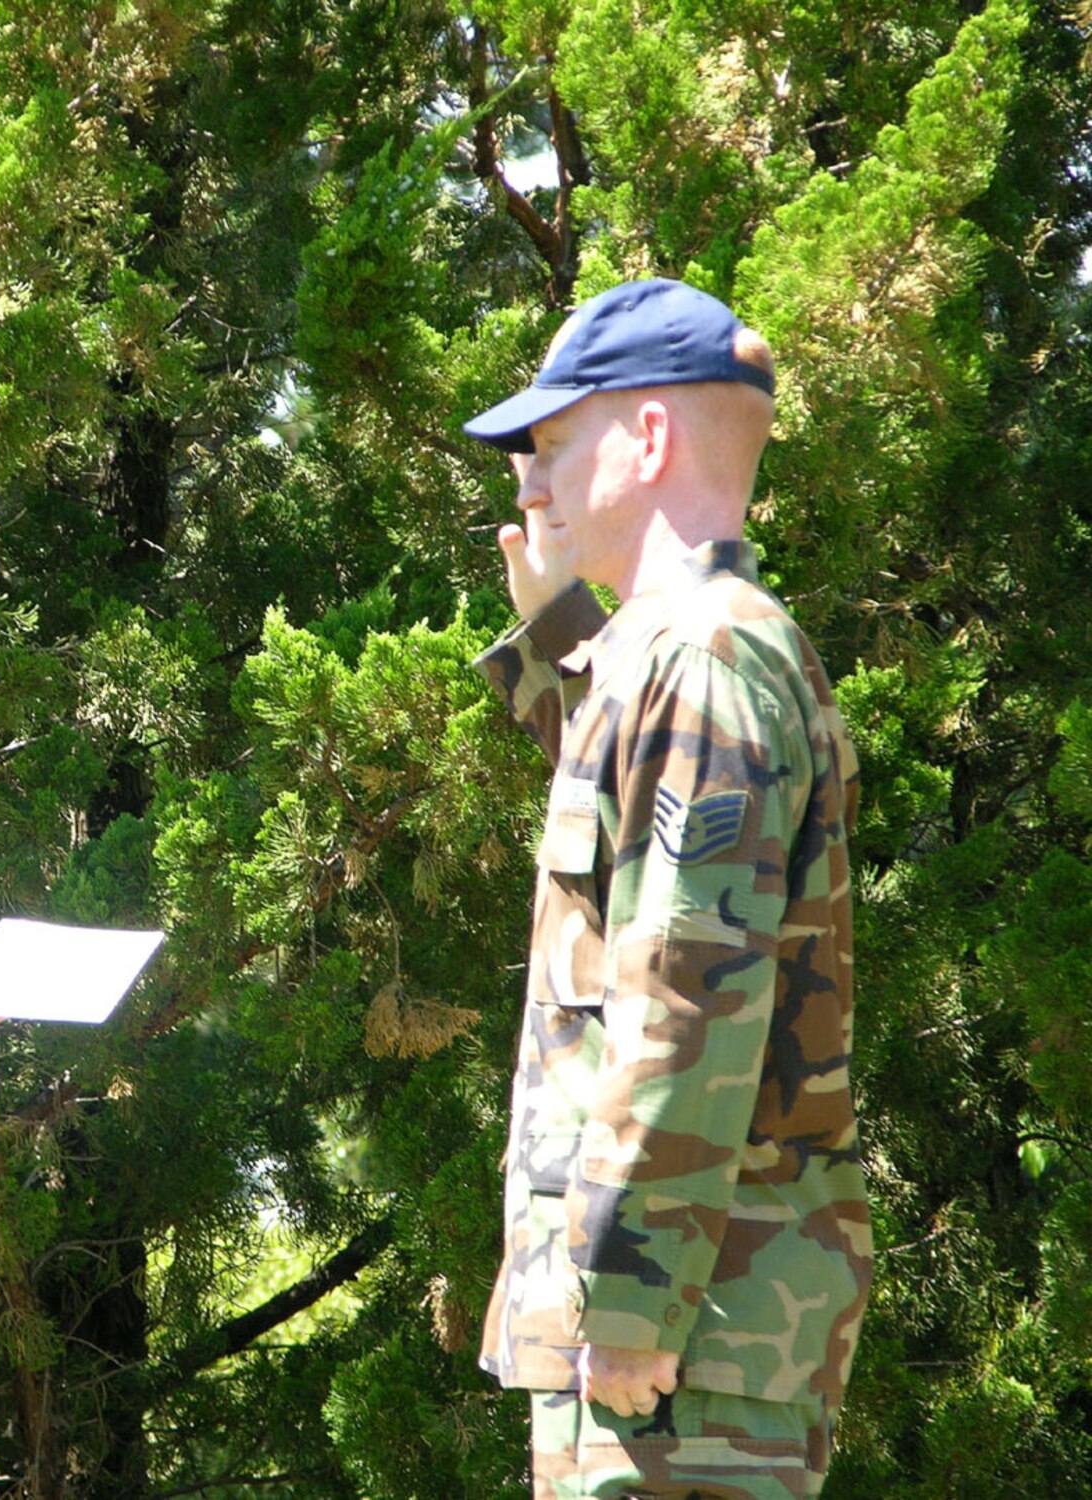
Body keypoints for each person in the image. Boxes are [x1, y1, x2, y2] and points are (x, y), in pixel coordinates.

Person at [461, 280, 873, 1500]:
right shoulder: (673, 651)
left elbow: (687, 991)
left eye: (548, 444)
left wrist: (633, 1296)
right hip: (678, 1334)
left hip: (682, 1342)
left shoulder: (699, 660)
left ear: (645, 440)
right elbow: (627, 852)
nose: (525, 482)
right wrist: (550, 642)